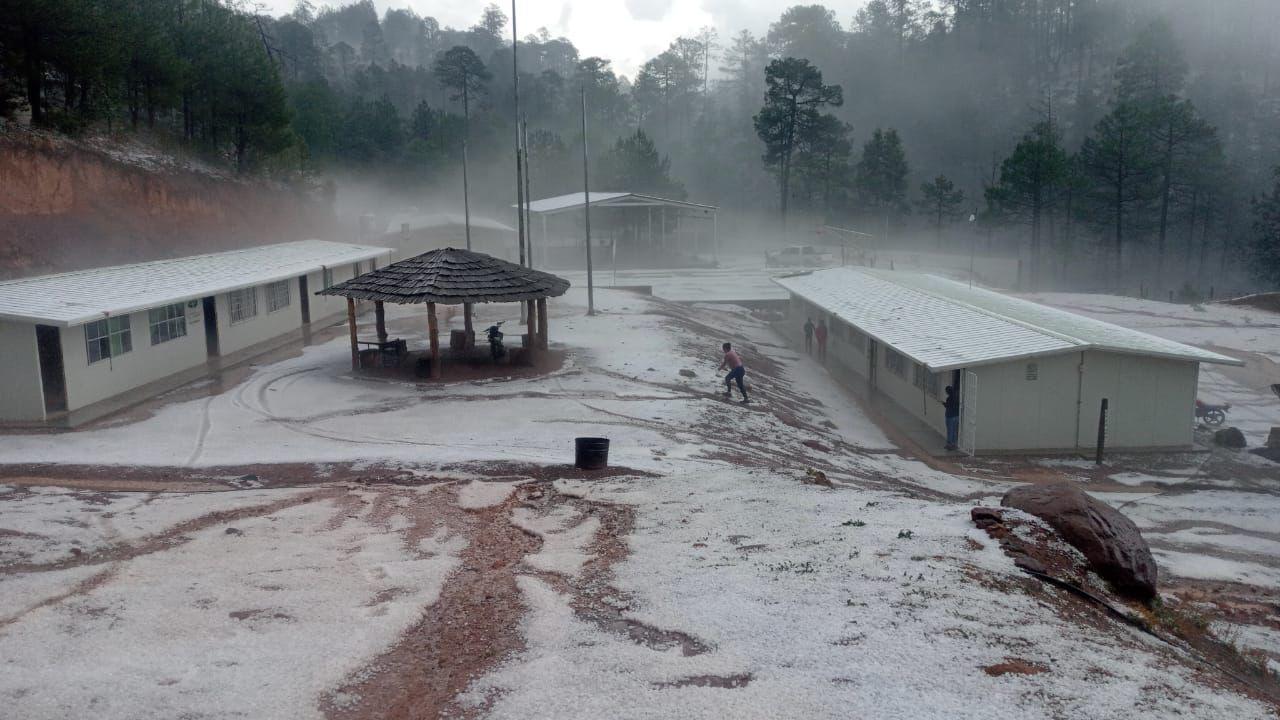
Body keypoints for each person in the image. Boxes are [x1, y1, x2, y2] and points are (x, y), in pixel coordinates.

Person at [942, 385, 960, 451]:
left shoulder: (949, 398)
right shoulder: (957, 397)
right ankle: (954, 444)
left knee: (950, 431)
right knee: (954, 430)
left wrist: (944, 403)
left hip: (950, 416)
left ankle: (949, 444)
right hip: (956, 416)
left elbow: (948, 406)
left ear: (948, 391)